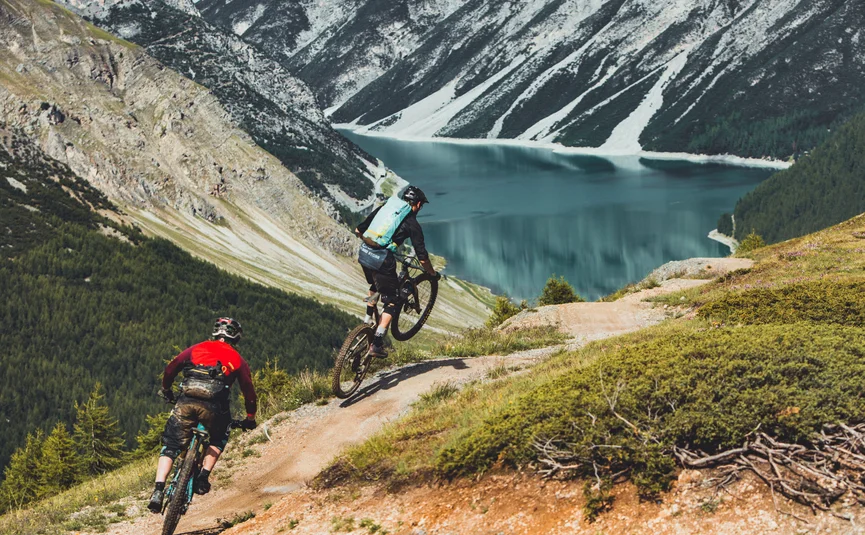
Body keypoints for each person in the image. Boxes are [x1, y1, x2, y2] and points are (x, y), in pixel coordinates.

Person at [147, 318, 257, 513]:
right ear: (236, 337)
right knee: (219, 436)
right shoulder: (238, 359)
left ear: (216, 333)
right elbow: (248, 391)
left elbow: (171, 368)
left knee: (171, 444)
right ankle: (203, 477)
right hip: (215, 408)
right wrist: (250, 418)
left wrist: (166, 389)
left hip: (186, 401)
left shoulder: (197, 348)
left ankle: (158, 489)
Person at [355, 186, 439, 358]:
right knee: (393, 301)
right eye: (421, 206)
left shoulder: (385, 209)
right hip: (382, 260)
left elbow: (359, 230)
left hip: (364, 253)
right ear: (418, 204)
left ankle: (367, 320)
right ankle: (377, 343)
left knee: (375, 284)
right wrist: (431, 273)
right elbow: (422, 257)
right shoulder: (412, 223)